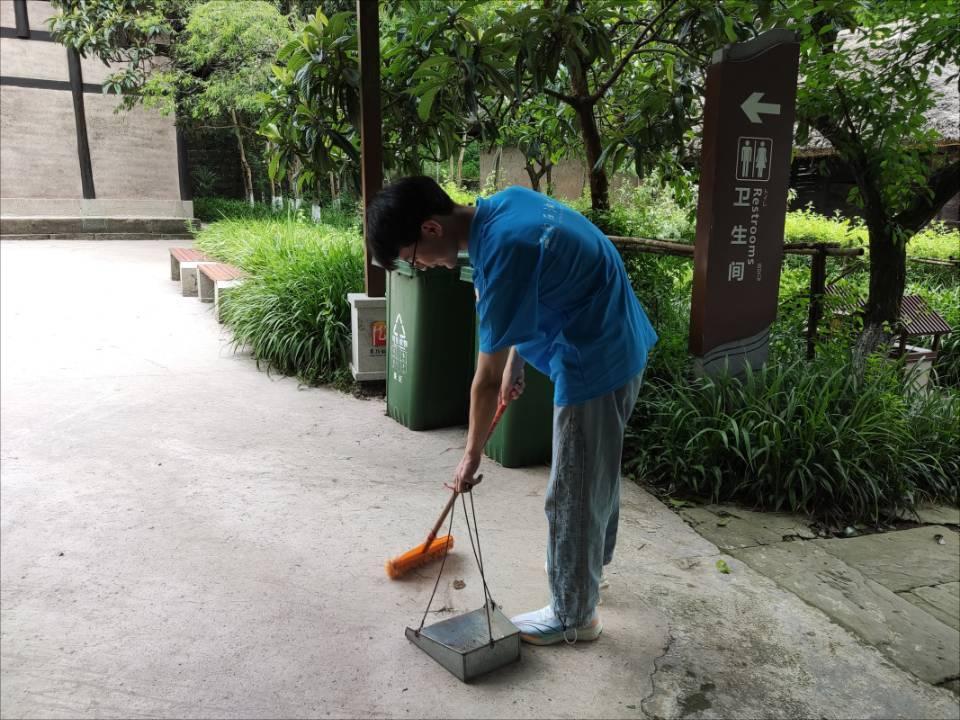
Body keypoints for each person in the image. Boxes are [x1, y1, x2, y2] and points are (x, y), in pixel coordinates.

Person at [366, 177, 657, 645]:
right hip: (615, 339)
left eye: (413, 258)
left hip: (596, 359)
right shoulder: (505, 207)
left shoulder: (503, 251)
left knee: (573, 490)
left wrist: (470, 457)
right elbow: (535, 287)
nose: (421, 267)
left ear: (430, 228)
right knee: (594, 473)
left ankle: (574, 615)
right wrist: (516, 363)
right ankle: (587, 569)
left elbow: (483, 383)